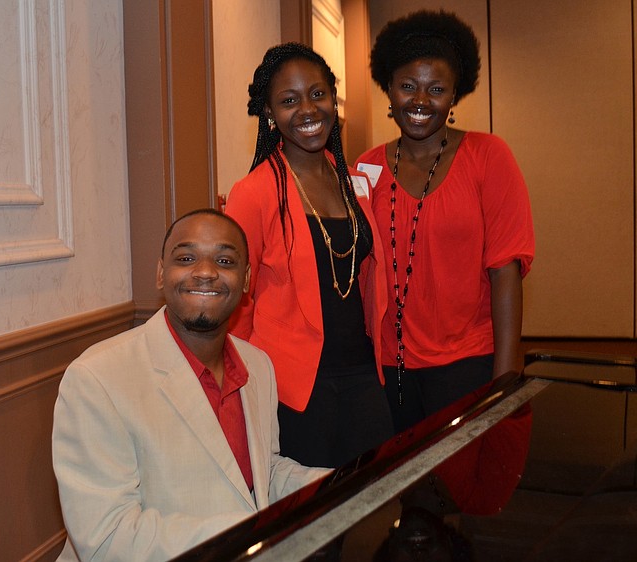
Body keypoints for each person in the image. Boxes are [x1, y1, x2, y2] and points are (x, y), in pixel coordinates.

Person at [52, 209, 329, 562]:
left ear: (246, 279)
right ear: (160, 274)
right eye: (186, 258)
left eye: (224, 261)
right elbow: (108, 537)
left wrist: (345, 484)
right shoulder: (96, 378)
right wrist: (249, 533)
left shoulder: (258, 365)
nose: (206, 271)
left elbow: (263, 474)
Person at [355, 10, 535, 432]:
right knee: (402, 474)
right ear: (389, 89)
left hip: (468, 364)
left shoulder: (488, 157)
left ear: (455, 95)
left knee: (463, 474)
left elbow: (506, 272)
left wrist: (505, 379)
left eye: (436, 89)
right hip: (388, 368)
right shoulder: (365, 168)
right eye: (407, 86)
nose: (420, 101)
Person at [225, 43, 395, 469]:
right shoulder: (254, 192)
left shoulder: (352, 181)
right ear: (269, 112)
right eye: (289, 100)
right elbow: (237, 302)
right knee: (308, 506)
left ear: (333, 100)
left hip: (362, 374)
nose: (307, 109)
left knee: (373, 494)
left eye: (317, 94)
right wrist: (242, 388)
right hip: (293, 389)